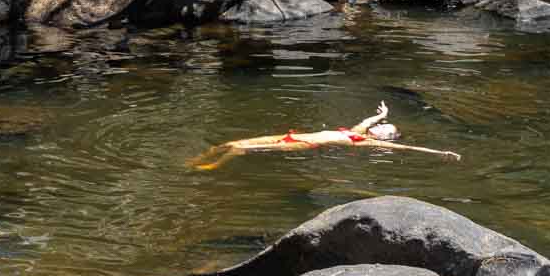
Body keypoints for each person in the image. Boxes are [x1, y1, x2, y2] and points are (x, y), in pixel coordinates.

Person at [191, 102, 460, 171]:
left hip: (302, 145)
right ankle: (199, 159)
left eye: (385, 130)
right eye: (383, 125)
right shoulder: (356, 132)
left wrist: (439, 153)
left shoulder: (366, 142)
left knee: (240, 150)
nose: (381, 128)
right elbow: (368, 120)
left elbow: (408, 149)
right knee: (229, 143)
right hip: (291, 135)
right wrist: (381, 114)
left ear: (385, 140)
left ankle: (213, 165)